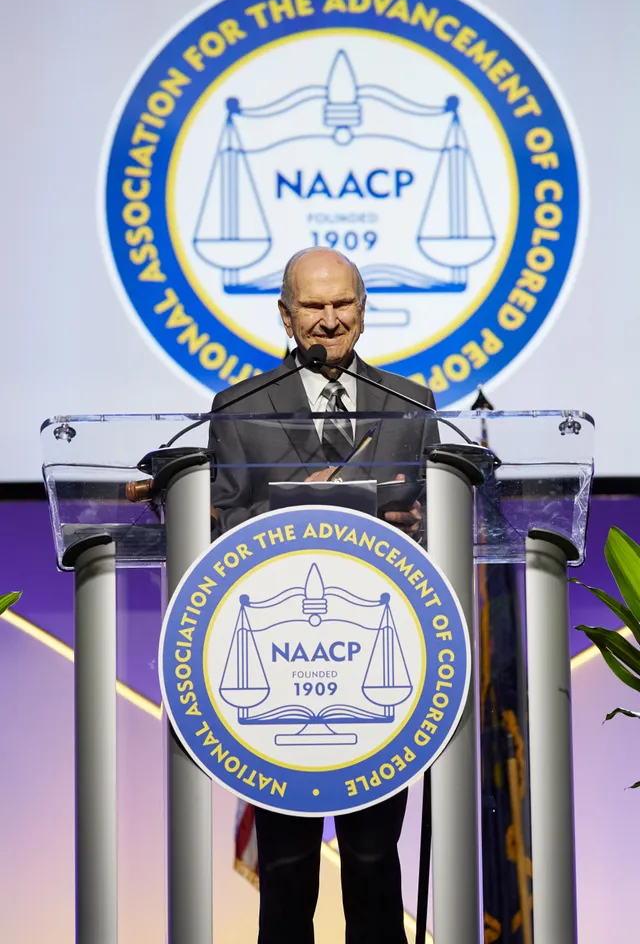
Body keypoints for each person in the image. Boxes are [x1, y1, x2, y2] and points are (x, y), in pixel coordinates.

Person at [208, 248, 439, 944]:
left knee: (374, 864)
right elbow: (216, 524)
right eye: (312, 307)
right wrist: (294, 513)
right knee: (286, 873)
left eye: (343, 306)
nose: (329, 322)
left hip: (380, 669)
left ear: (363, 313)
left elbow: (441, 522)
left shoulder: (412, 406)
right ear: (286, 314)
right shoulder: (240, 409)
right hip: (278, 671)